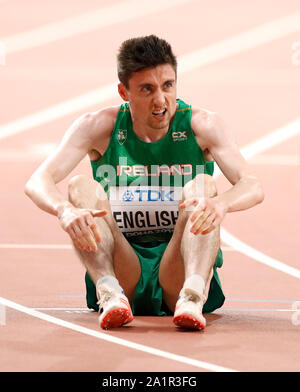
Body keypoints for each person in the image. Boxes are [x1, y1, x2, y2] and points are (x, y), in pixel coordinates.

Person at [25, 35, 264, 331]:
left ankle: (191, 296)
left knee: (203, 186)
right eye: (147, 89)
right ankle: (109, 293)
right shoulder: (100, 126)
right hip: (123, 262)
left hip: (178, 262)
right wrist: (64, 210)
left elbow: (252, 184)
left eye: (168, 85)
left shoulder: (202, 125)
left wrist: (221, 204)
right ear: (124, 92)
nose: (161, 100)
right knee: (79, 188)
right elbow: (38, 181)